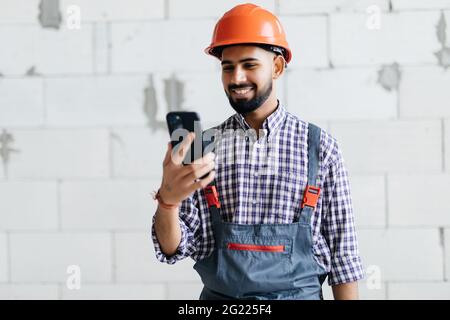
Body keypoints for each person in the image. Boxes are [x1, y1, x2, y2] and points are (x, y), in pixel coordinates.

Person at [152, 3, 364, 300]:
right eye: (228, 67)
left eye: (249, 65)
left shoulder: (320, 146)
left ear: (276, 67)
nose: (236, 77)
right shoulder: (204, 146)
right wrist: (168, 203)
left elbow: (344, 258)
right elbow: (173, 248)